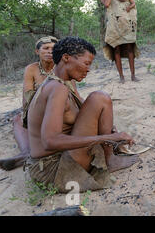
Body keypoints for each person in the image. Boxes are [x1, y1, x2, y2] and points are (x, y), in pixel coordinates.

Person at [24, 37, 138, 193]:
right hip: (52, 169)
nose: (88, 69)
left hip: (59, 158)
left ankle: (109, 158)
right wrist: (107, 138)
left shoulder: (63, 83)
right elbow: (50, 141)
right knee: (99, 97)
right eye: (86, 63)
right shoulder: (57, 88)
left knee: (99, 98)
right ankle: (108, 158)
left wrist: (108, 129)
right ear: (66, 58)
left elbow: (84, 113)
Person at [0, 36, 58, 171]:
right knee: (18, 119)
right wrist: (28, 115)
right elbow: (27, 96)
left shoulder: (61, 66)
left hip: (58, 110)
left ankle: (32, 152)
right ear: (37, 52)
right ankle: (25, 153)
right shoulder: (31, 69)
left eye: (53, 49)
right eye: (46, 48)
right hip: (37, 110)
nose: (50, 52)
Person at [96, 0, 139, 83]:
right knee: (116, 49)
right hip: (113, 21)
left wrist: (128, 1)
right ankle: (121, 76)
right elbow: (107, 3)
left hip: (124, 20)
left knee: (130, 48)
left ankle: (133, 75)